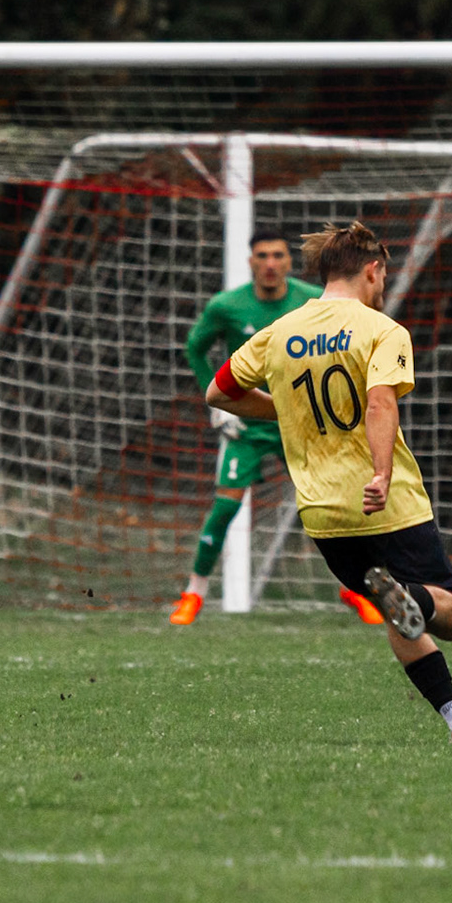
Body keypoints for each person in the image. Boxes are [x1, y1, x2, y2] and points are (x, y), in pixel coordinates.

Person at [205, 220, 452, 743]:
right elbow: (381, 401)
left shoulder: (279, 332)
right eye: (383, 277)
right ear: (372, 271)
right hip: (388, 502)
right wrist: (380, 471)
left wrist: (284, 413)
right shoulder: (382, 330)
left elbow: (219, 394)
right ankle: (409, 599)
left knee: (394, 611)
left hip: (324, 513)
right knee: (449, 614)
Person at [170, 227, 385, 629]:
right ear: (251, 261)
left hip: (300, 423)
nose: (270, 264)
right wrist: (218, 404)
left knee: (331, 505)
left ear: (289, 261)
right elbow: (195, 348)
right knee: (226, 506)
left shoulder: (311, 299)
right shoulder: (226, 306)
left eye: (278, 256)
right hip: (249, 427)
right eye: (262, 256)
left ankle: (355, 587)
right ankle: (194, 592)